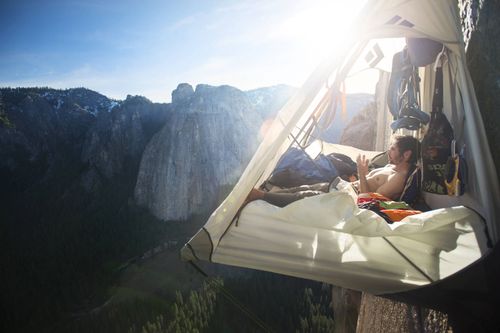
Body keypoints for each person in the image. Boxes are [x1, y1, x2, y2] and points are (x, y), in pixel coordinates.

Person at [246, 135, 420, 207]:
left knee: (305, 196)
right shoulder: (391, 167)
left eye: (393, 149)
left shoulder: (398, 179)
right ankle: (260, 194)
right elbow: (370, 184)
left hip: (350, 198)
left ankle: (258, 196)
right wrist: (360, 174)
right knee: (307, 187)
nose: (389, 152)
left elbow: (368, 202)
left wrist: (361, 172)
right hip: (345, 187)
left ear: (406, 154)